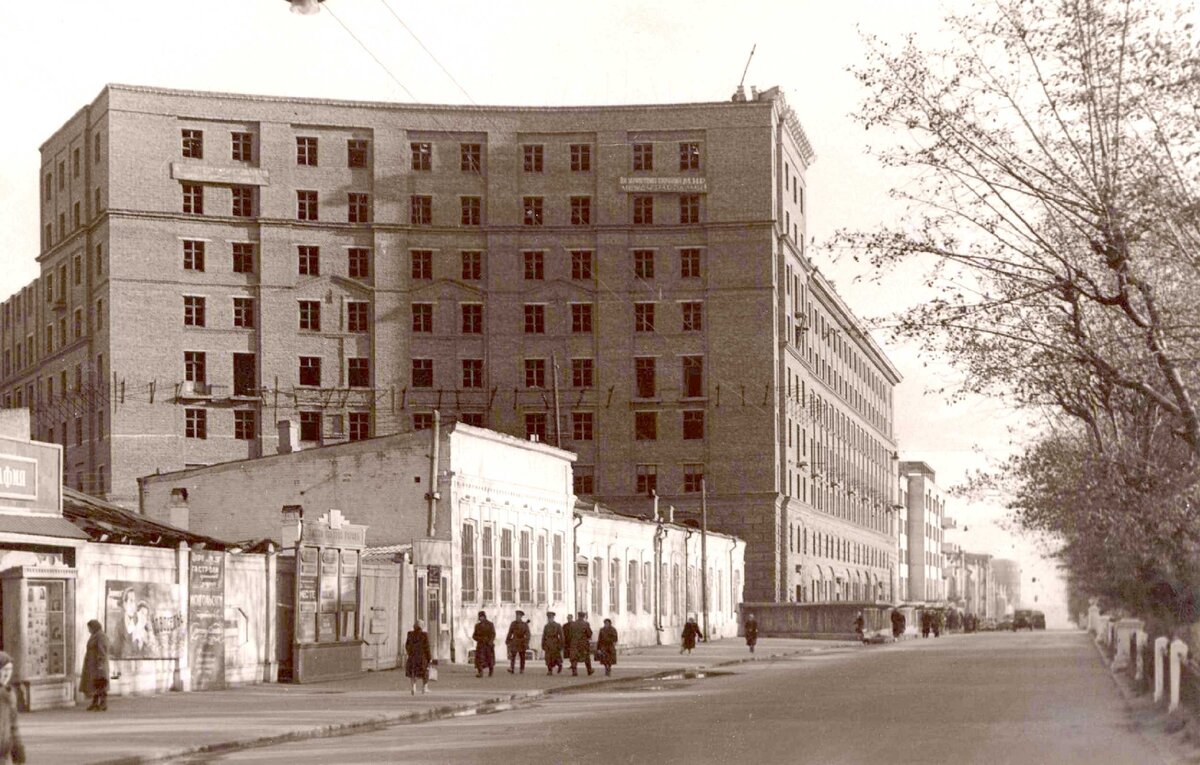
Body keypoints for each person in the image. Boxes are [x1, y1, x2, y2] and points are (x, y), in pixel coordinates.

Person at [0, 652, 24, 764]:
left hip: (4, 754)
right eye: (3, 670)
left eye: (9, 670)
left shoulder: (9, 694)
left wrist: (18, 749)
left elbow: (14, 726)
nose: (6, 674)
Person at [81, 619, 110, 711]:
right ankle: (95, 702)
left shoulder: (101, 636)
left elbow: (102, 651)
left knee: (100, 683)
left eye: (89, 628)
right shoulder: (94, 635)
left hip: (98, 665)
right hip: (93, 665)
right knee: (95, 684)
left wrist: (100, 664)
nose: (88, 630)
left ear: (94, 627)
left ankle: (103, 703)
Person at [404, 621, 432, 695]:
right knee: (425, 672)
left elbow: (407, 645)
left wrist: (409, 653)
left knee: (413, 673)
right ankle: (424, 688)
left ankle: (413, 688)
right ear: (422, 626)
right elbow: (427, 648)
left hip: (412, 657)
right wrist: (429, 658)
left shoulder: (410, 634)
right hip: (422, 658)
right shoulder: (424, 635)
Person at [568, 611, 593, 676]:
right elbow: (589, 633)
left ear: (578, 616)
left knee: (574, 657)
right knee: (586, 656)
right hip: (583, 643)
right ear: (584, 616)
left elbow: (570, 634)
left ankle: (574, 671)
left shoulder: (573, 624)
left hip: (574, 642)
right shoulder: (586, 624)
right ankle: (589, 670)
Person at [472, 610, 496, 678]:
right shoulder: (477, 626)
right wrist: (480, 639)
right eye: (480, 617)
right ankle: (480, 672)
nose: (481, 618)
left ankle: (491, 671)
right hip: (480, 644)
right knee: (479, 659)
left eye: (482, 617)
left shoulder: (490, 624)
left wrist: (490, 641)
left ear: (485, 617)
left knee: (489, 658)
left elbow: (493, 634)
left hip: (488, 644)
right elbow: (474, 636)